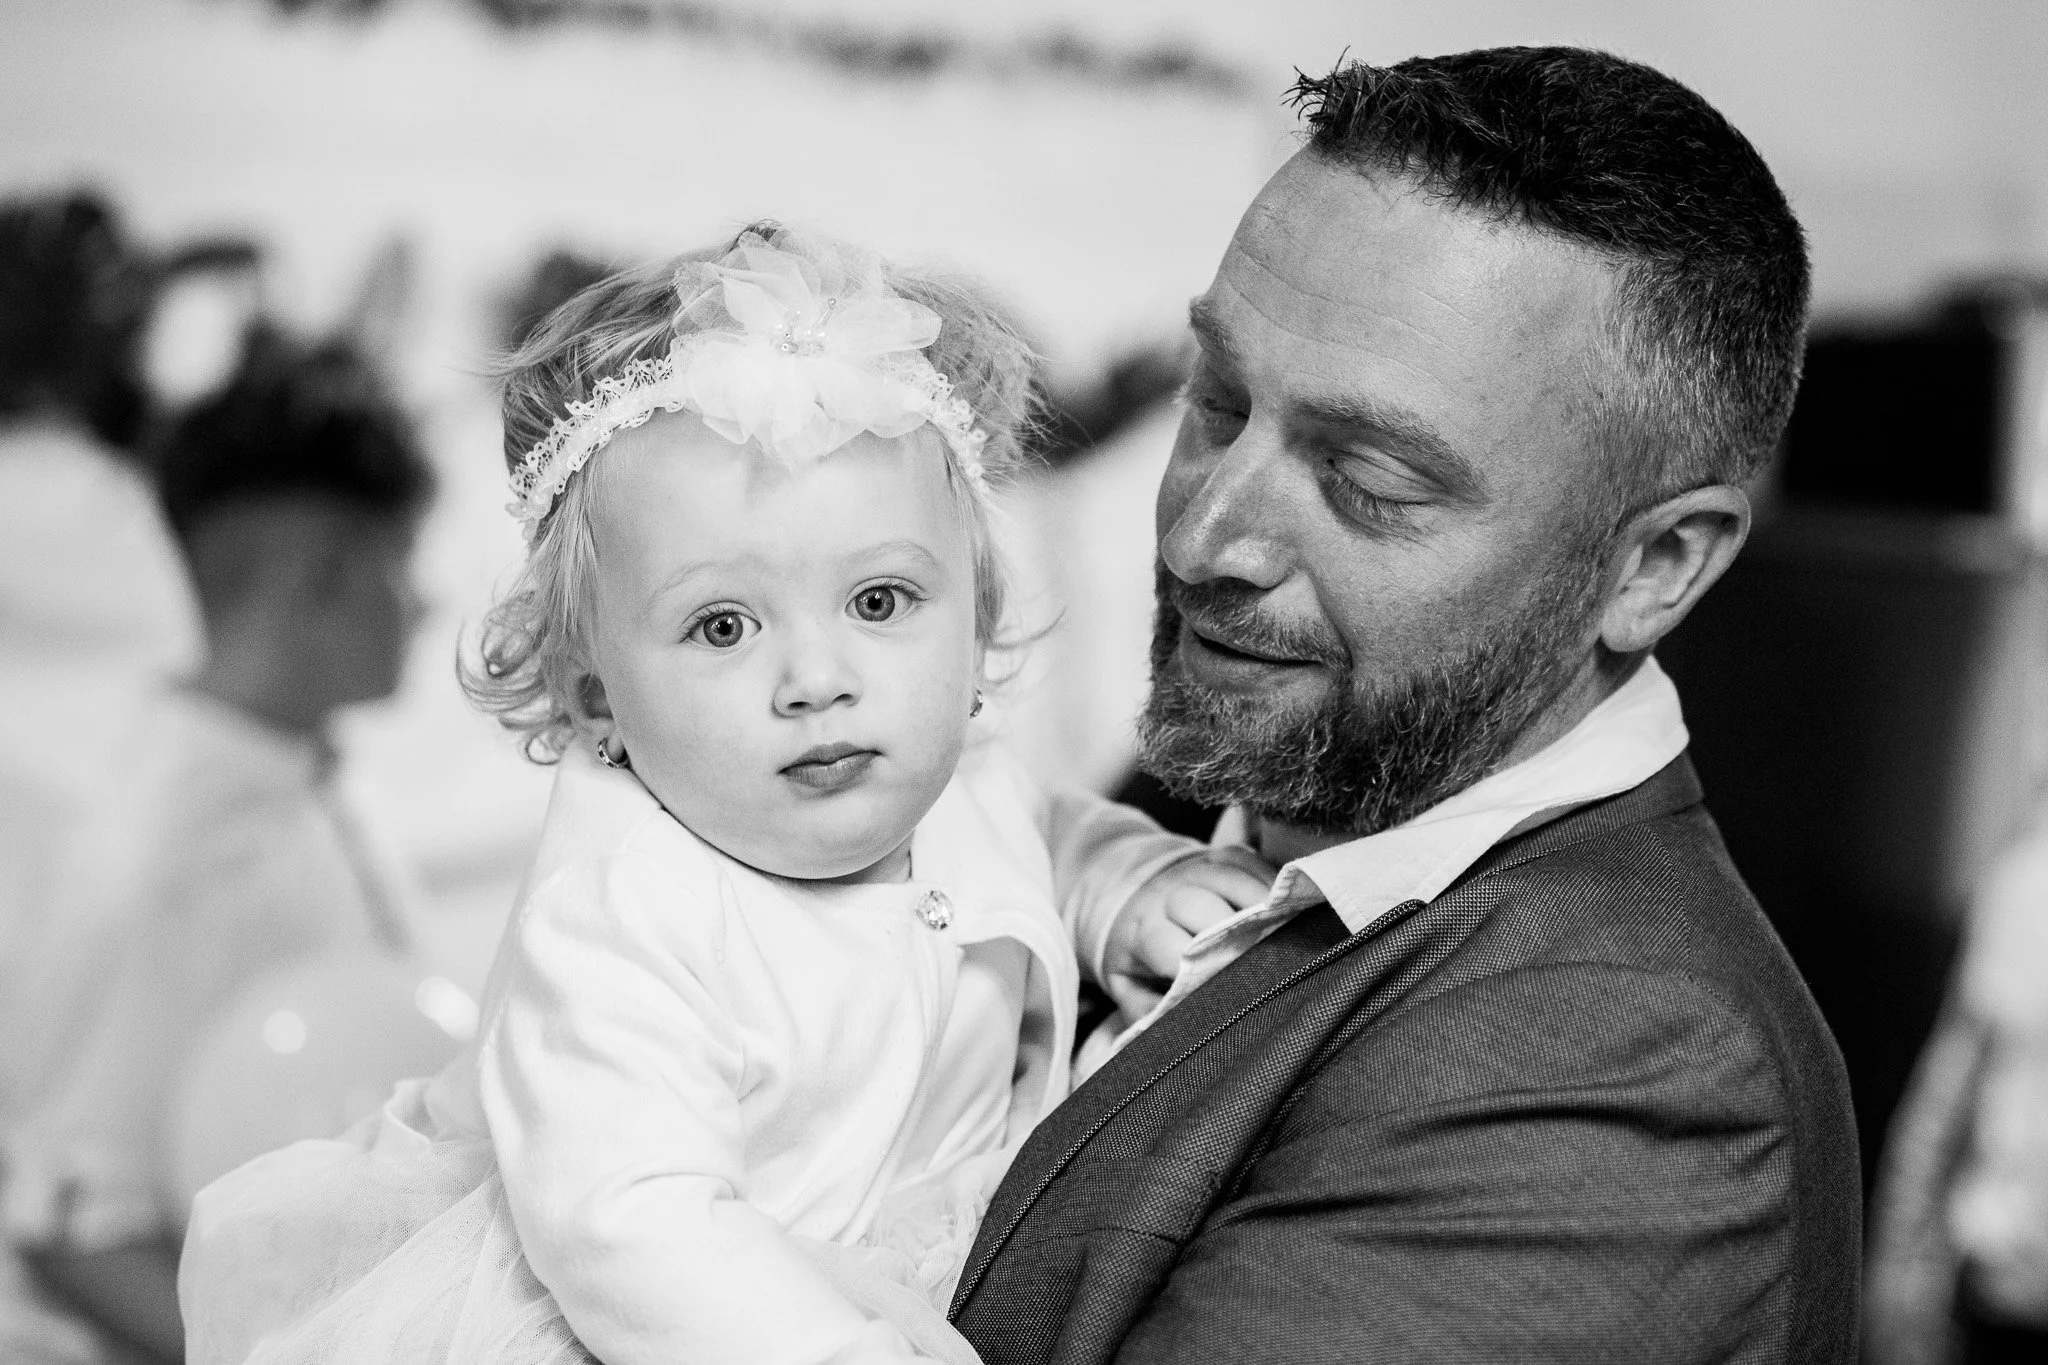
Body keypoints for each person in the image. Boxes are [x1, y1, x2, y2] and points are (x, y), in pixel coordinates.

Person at [178, 225, 1269, 1365]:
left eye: (881, 602)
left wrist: (1124, 884)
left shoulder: (958, 777)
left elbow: (1041, 834)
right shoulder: (620, 920)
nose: (817, 679)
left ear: (980, 617)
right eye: (723, 626)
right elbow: (637, 1231)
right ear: (592, 691)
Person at [949, 46, 1862, 1364]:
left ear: (1654, 567)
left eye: (1369, 481)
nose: (1204, 537)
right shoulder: (1190, 813)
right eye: (1217, 403)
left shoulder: (1617, 1067)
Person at [0, 329, 434, 1364]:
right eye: (401, 562)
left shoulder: (319, 782)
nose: (422, 603)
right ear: (322, 577)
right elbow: (69, 1225)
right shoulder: (163, 852)